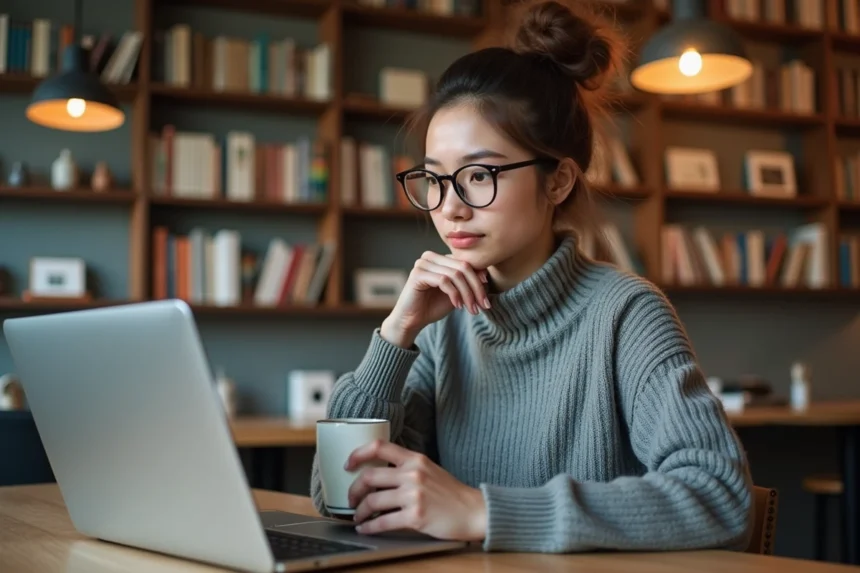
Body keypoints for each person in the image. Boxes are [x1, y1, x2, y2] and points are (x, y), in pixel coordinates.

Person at [309, 0, 754, 554]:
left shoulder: (625, 314)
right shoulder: (442, 328)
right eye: (435, 180)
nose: (449, 208)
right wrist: (395, 336)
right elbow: (339, 493)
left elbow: (721, 496)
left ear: (559, 181)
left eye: (478, 175)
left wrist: (483, 511)